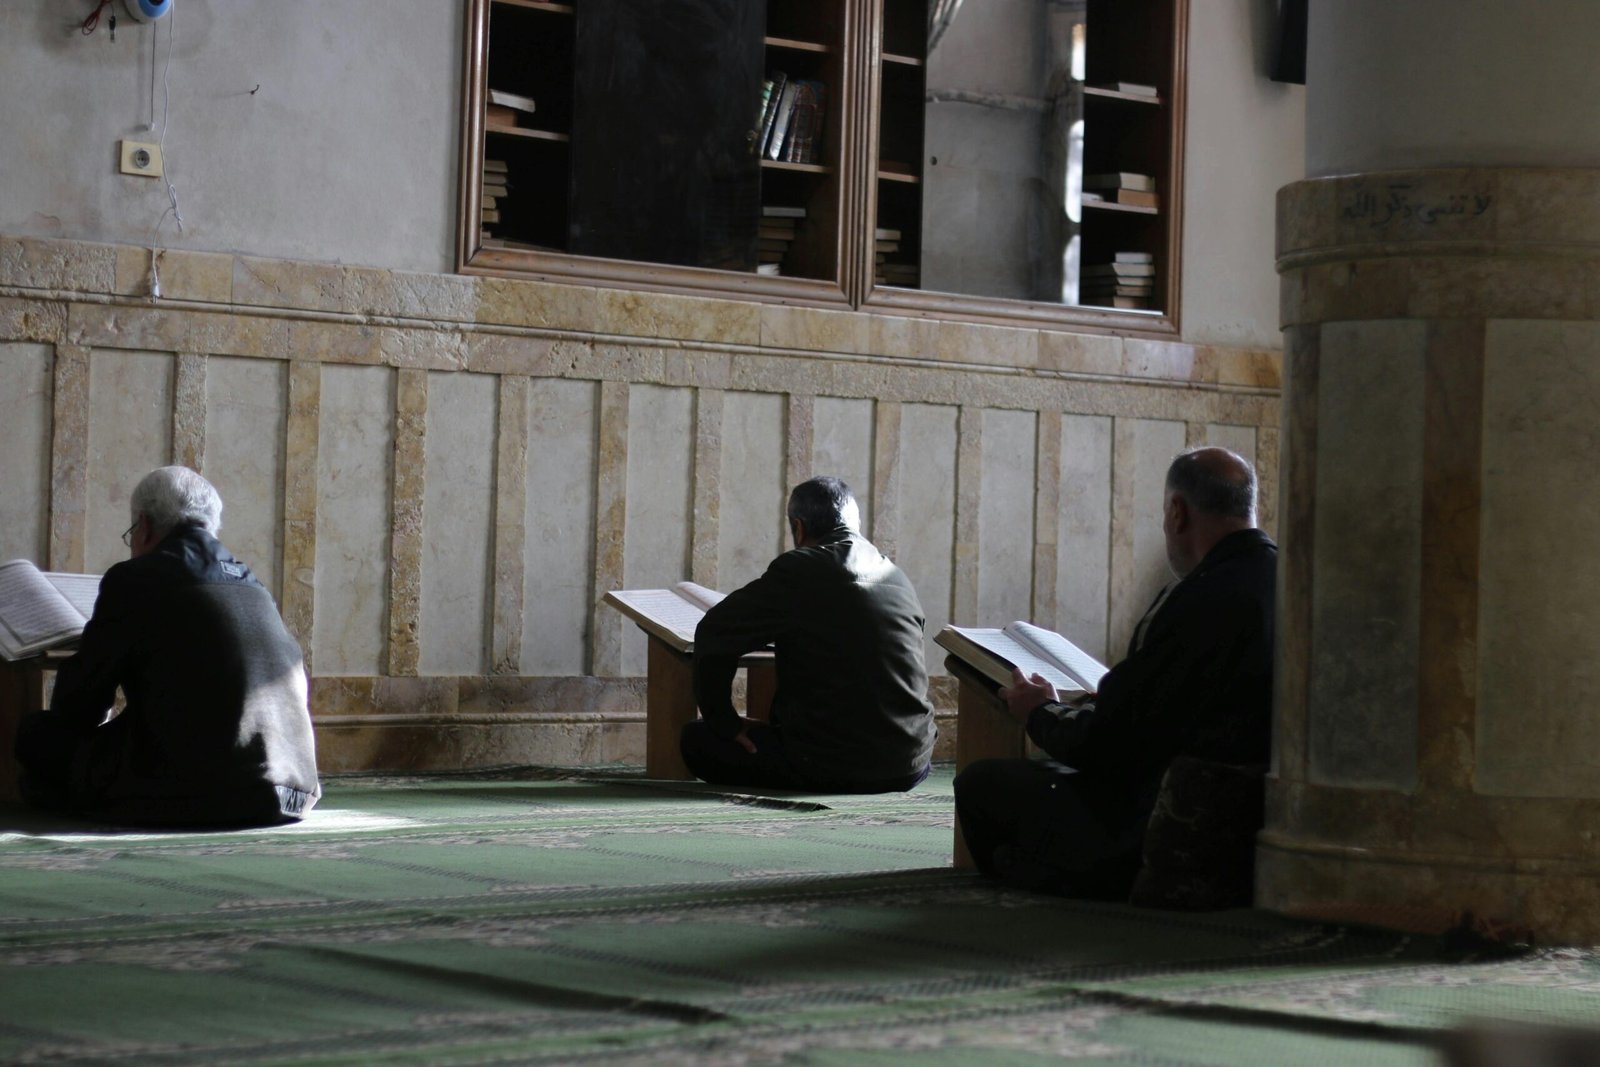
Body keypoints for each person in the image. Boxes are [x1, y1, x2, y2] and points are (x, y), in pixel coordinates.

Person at [953, 447, 1276, 897]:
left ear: (1177, 512)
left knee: (983, 784)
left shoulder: (1195, 599)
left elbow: (1110, 745)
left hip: (1170, 820)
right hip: (1266, 820)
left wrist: (1040, 712)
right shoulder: (1292, 580)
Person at [15, 466, 321, 826]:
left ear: (143, 526)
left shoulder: (135, 579)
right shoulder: (251, 582)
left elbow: (78, 706)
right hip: (293, 791)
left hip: (205, 790)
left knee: (34, 736)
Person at [680, 476, 936, 793]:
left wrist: (725, 722)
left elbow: (714, 632)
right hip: (911, 763)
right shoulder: (896, 576)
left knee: (696, 740)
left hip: (827, 764)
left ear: (799, 528)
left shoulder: (800, 568)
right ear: (854, 525)